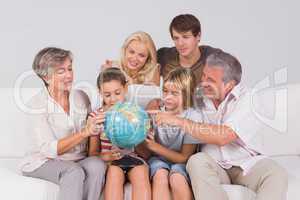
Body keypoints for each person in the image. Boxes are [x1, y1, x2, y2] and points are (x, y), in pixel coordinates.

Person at [149, 51, 288, 200]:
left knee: (275, 173)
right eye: (203, 76)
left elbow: (223, 136)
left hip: (246, 165)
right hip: (213, 165)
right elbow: (175, 97)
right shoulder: (198, 96)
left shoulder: (249, 99)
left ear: (229, 85)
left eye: (211, 80)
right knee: (196, 161)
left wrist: (179, 122)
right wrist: (156, 102)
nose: (203, 83)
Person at [21, 47, 106, 200]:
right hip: (43, 161)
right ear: (46, 77)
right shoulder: (36, 105)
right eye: (61, 71)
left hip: (76, 159)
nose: (69, 76)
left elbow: (92, 133)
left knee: (97, 165)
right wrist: (84, 133)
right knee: (73, 171)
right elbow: (48, 150)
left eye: (70, 69)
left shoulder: (81, 96)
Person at [89, 67, 151, 200]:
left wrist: (137, 136)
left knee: (140, 173)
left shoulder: (135, 113)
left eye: (117, 93)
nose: (113, 99)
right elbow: (92, 153)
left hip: (134, 158)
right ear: (100, 93)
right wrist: (105, 156)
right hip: (112, 162)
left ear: (125, 88)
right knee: (114, 174)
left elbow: (146, 153)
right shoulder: (96, 117)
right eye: (107, 95)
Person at [143, 68, 202, 200]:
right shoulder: (155, 110)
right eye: (165, 91)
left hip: (181, 162)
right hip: (157, 160)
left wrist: (155, 147)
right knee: (160, 176)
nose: (167, 97)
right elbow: (145, 149)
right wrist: (144, 126)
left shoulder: (193, 117)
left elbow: (184, 157)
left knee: (177, 179)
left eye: (174, 93)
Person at [158, 14, 222, 84]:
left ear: (198, 36)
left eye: (185, 37)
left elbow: (233, 76)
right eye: (176, 38)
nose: (180, 43)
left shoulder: (214, 57)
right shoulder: (164, 56)